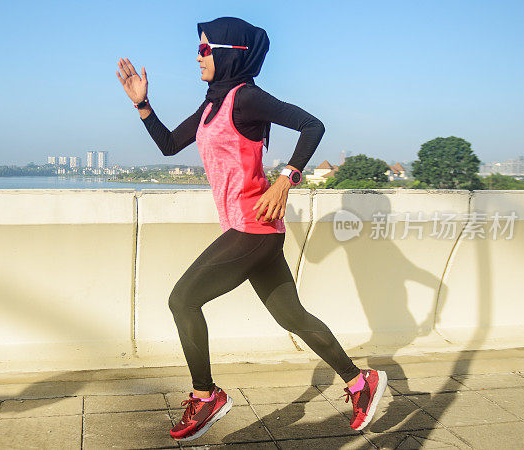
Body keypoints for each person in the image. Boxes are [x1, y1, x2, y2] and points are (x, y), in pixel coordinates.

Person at [116, 17, 387, 442]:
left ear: (229, 53)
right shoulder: (212, 106)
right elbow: (169, 145)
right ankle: (359, 382)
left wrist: (287, 177)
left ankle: (205, 396)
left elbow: (313, 125)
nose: (199, 55)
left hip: (251, 227)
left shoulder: (246, 98)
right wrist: (143, 105)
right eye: (200, 49)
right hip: (256, 228)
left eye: (205, 49)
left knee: (182, 300)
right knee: (291, 315)